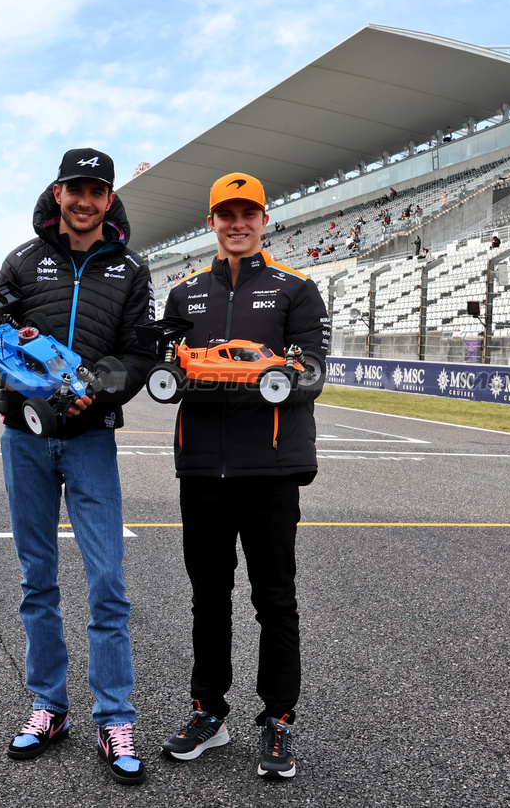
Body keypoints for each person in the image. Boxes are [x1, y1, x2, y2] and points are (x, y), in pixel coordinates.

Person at [159, 171, 328, 781]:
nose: (237, 224)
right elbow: (164, 365)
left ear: (264, 219)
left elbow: (313, 369)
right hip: (201, 467)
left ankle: (279, 719)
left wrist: (273, 379)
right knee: (208, 598)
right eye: (226, 214)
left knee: (275, 600)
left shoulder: (297, 289)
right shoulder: (183, 295)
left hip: (271, 470)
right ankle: (209, 710)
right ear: (211, 222)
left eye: (248, 213)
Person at [0, 148, 154, 786]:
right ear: (57, 193)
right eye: (75, 188)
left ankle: (114, 716)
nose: (85, 200)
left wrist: (101, 388)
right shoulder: (21, 260)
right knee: (37, 581)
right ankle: (48, 706)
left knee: (107, 582)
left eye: (98, 190)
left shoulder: (131, 268)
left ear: (109, 199)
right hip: (23, 435)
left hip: (91, 441)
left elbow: (139, 354)